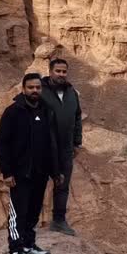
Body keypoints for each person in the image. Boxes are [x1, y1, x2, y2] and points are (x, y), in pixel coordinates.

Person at [0, 72, 62, 254]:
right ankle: (16, 253)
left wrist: (55, 171)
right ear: (23, 89)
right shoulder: (13, 112)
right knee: (18, 214)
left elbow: (51, 143)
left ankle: (28, 246)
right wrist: (7, 172)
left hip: (40, 173)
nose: (35, 91)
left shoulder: (46, 110)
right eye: (31, 87)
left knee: (34, 212)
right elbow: (3, 144)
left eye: (38, 87)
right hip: (20, 174)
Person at [40, 58, 82, 236]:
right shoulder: (40, 91)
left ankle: (58, 221)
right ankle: (29, 222)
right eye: (58, 71)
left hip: (65, 148)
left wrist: (77, 142)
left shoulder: (72, 93)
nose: (61, 74)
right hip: (44, 147)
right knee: (37, 184)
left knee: (62, 185)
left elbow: (77, 117)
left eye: (64, 71)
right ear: (50, 72)